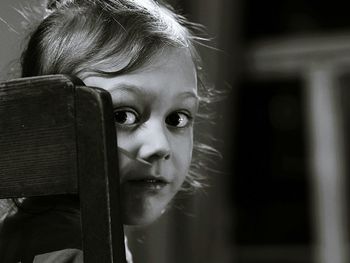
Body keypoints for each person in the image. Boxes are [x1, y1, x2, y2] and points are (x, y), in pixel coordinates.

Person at [0, 0, 219, 262]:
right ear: (44, 125)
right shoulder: (71, 250)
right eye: (123, 116)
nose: (160, 146)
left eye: (177, 119)